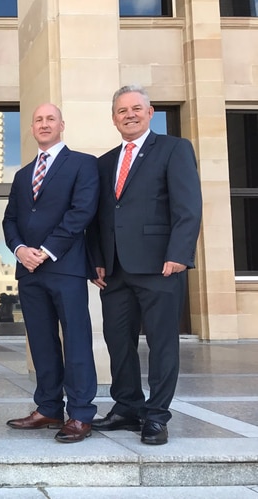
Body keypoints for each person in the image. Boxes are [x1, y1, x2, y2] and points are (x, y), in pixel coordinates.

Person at [87, 85, 202, 445]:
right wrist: (97, 261)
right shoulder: (104, 163)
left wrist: (179, 254)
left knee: (162, 342)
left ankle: (156, 415)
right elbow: (99, 217)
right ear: (114, 119)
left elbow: (188, 206)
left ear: (150, 113)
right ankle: (127, 407)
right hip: (116, 270)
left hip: (160, 266)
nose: (130, 115)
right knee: (117, 341)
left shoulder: (174, 149)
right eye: (122, 111)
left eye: (136, 108)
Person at [2, 103, 99, 443]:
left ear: (62, 125)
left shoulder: (83, 165)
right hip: (29, 271)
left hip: (65, 267)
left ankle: (81, 413)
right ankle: (48, 408)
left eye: (50, 119)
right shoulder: (22, 173)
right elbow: (10, 219)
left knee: (76, 342)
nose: (44, 124)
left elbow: (81, 212)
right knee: (41, 342)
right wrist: (19, 250)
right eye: (38, 119)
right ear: (31, 128)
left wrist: (45, 251)